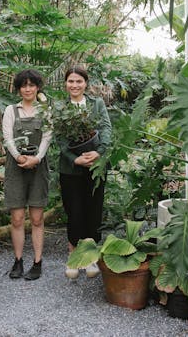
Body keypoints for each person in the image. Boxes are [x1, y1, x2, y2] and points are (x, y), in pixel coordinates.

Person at [57, 65, 112, 279]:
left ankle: (90, 259)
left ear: (85, 84)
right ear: (65, 84)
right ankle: (73, 257)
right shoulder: (61, 107)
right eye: (71, 81)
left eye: (79, 81)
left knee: (93, 210)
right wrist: (75, 159)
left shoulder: (96, 104)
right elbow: (60, 138)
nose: (75, 85)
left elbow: (106, 128)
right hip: (70, 169)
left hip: (95, 167)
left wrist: (99, 152)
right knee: (74, 211)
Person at [2, 69, 52, 281]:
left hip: (38, 167)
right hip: (16, 168)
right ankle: (18, 261)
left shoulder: (45, 110)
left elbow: (48, 136)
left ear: (37, 87)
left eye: (32, 85)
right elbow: (7, 137)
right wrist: (19, 157)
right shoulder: (11, 110)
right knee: (17, 218)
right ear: (19, 88)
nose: (28, 89)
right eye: (24, 85)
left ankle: (37, 262)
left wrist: (37, 158)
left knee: (37, 218)